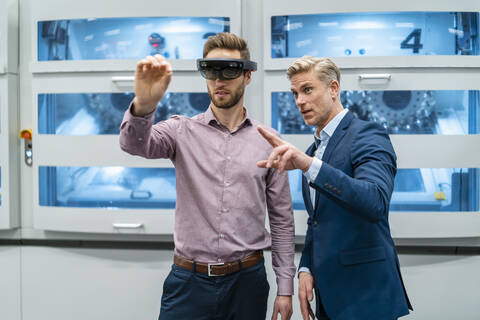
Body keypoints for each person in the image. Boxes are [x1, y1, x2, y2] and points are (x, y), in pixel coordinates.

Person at [119, 32, 295, 320]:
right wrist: (144, 105)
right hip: (189, 282)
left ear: (248, 76)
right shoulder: (180, 131)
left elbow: (282, 219)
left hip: (247, 283)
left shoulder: (269, 141)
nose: (219, 80)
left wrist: (285, 288)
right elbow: (134, 144)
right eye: (211, 71)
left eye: (230, 70)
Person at [257, 56, 412, 320]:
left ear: (333, 88)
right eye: (295, 93)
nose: (299, 101)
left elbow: (374, 202)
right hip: (329, 296)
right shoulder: (315, 149)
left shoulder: (367, 134)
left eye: (307, 90)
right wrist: (306, 267)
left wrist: (308, 165)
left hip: (366, 296)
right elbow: (318, 221)